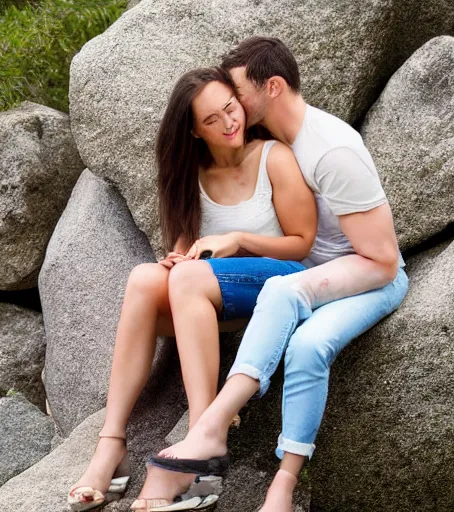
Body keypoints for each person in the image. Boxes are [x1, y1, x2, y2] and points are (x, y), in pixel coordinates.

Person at [133, 37, 409, 512]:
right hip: (320, 274)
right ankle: (246, 465)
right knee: (294, 322)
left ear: (273, 86)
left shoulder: (330, 150)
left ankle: (228, 442)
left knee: (297, 321)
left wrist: (305, 287)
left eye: (238, 93)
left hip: (371, 276)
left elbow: (382, 261)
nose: (232, 105)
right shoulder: (284, 142)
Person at [67, 66, 317, 511]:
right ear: (195, 133)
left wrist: (239, 240)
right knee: (144, 278)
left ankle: (203, 438)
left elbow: (303, 242)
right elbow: (190, 242)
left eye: (230, 108)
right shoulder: (193, 175)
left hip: (282, 281)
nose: (228, 123)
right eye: (211, 121)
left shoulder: (272, 156)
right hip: (212, 295)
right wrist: (180, 256)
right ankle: (112, 442)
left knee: (184, 278)